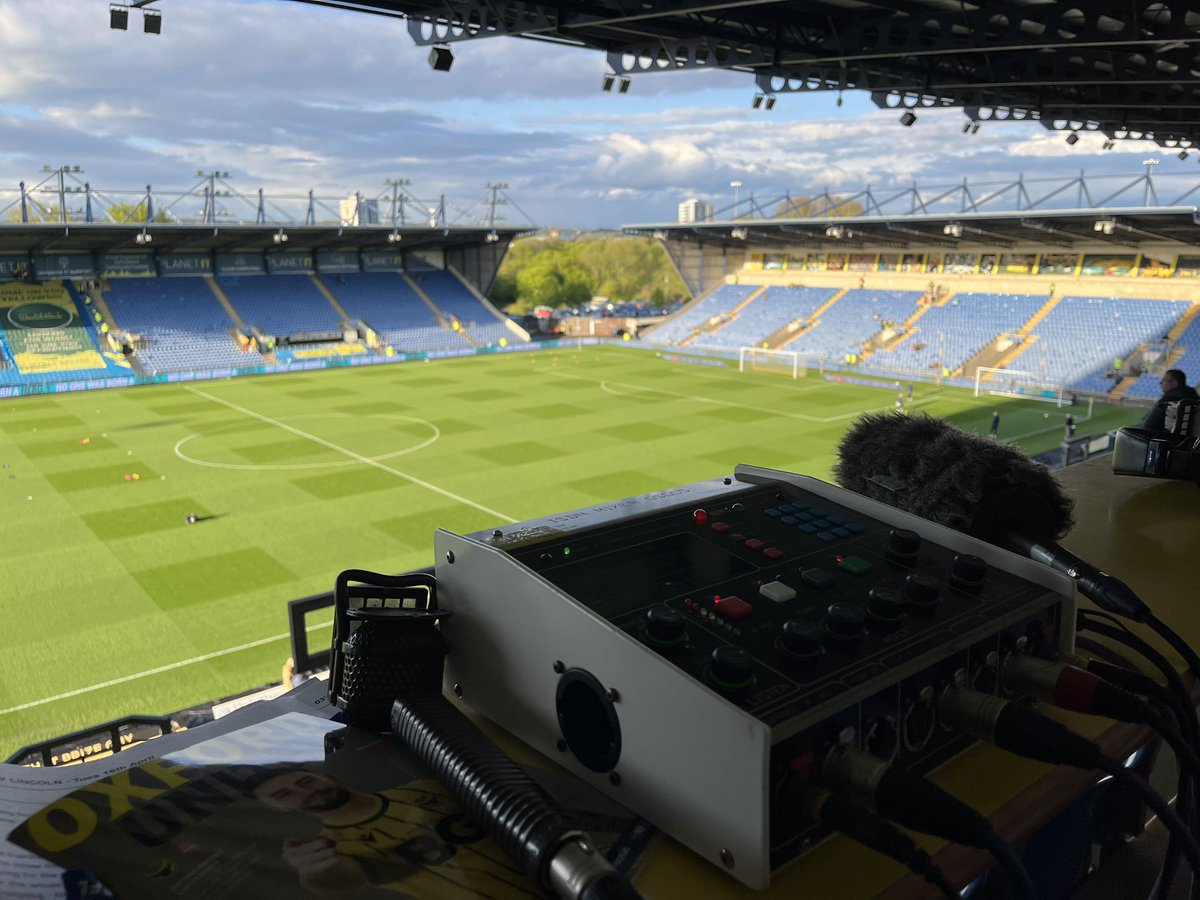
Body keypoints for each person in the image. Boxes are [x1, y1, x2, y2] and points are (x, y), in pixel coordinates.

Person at [249, 768, 536, 897]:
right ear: (280, 809)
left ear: (330, 777)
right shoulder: (333, 847)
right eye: (286, 794)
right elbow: (342, 880)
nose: (305, 792)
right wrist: (314, 873)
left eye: (306, 781)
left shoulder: (423, 787)